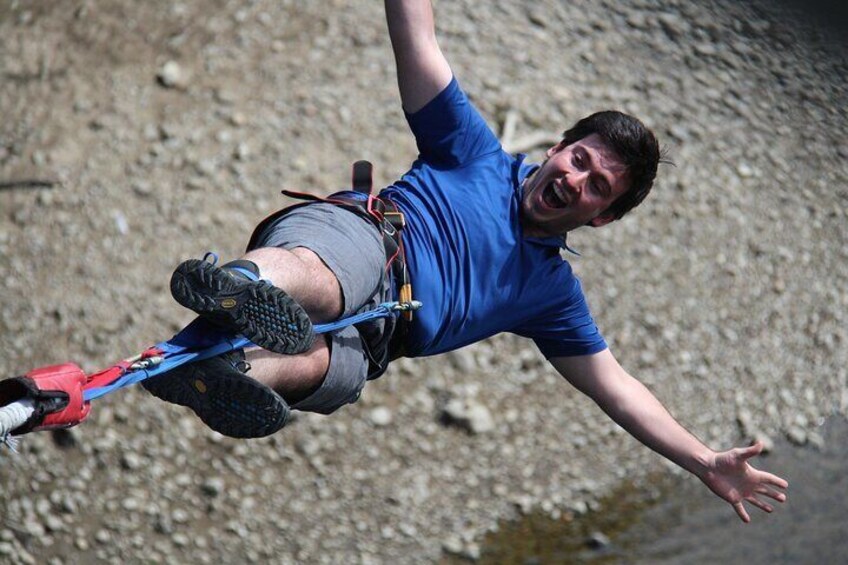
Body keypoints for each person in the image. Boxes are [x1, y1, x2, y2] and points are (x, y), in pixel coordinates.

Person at [143, 0, 788, 523]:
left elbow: (618, 389)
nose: (576, 180)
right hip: (369, 240)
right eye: (580, 159)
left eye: (597, 187)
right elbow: (417, 39)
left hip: (378, 338)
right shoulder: (472, 150)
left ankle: (223, 372)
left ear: (603, 217)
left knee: (331, 373)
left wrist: (704, 462)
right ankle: (241, 285)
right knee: (328, 277)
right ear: (558, 147)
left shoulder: (551, 295)